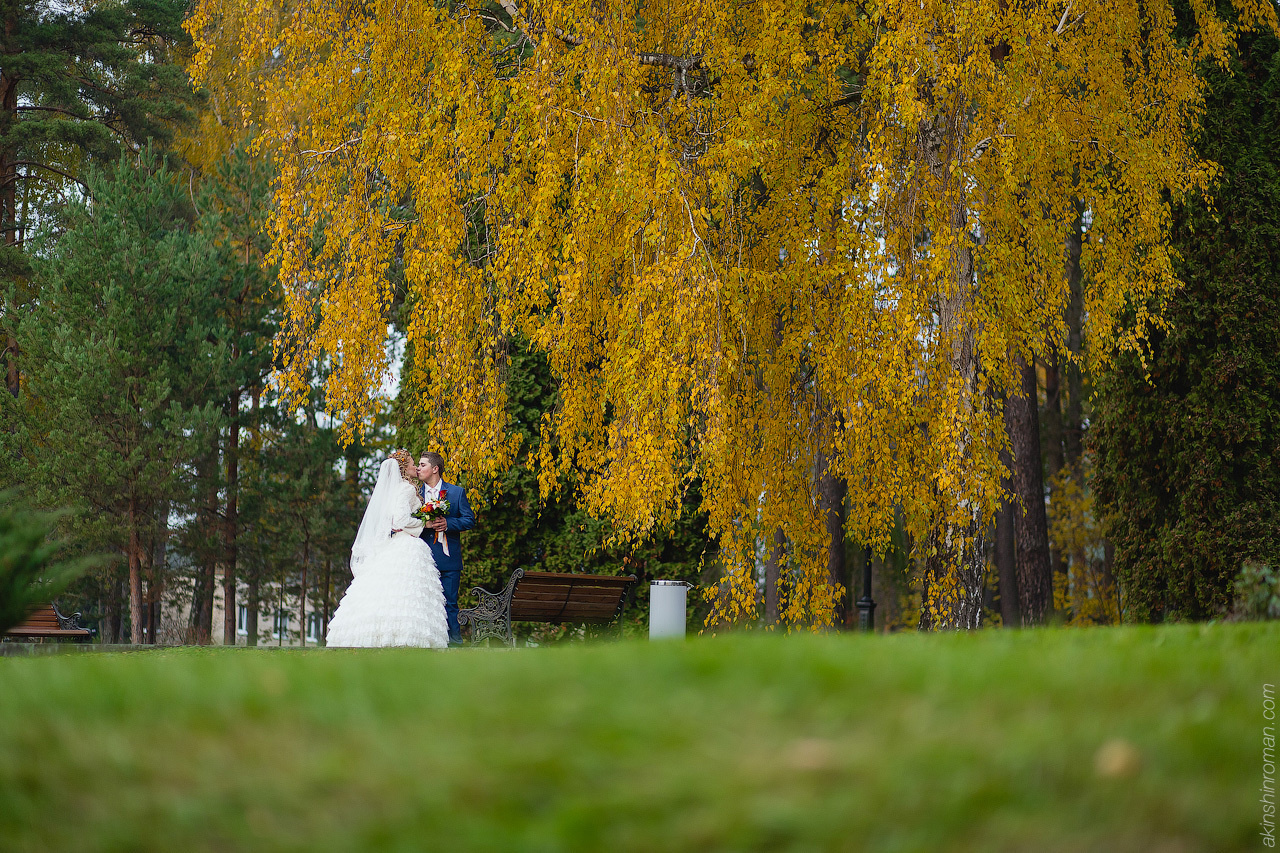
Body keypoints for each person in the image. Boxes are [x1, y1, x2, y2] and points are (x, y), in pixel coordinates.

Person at [326, 450, 449, 648]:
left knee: (390, 593)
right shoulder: (406, 489)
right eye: (411, 463)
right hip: (407, 545)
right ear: (403, 468)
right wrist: (424, 524)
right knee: (409, 595)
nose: (415, 467)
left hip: (395, 543)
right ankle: (405, 639)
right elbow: (399, 519)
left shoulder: (396, 489)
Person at [417, 452, 475, 645]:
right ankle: (429, 644)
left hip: (449, 559)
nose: (418, 468)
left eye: (422, 465)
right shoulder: (415, 493)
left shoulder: (457, 492)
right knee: (425, 605)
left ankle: (455, 645)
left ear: (435, 469)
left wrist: (448, 523)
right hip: (423, 559)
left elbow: (469, 520)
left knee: (450, 603)